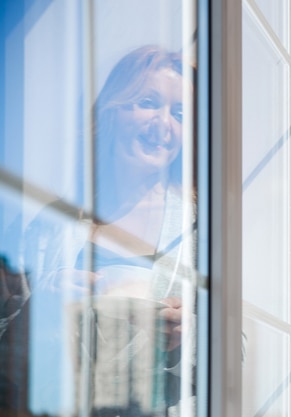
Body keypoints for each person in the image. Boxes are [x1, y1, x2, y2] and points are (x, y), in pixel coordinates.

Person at [2, 45, 196, 417]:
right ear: (112, 110)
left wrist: (190, 333)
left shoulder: (198, 229)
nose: (163, 124)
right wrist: (41, 307)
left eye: (179, 113)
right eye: (147, 102)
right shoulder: (49, 223)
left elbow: (236, 347)